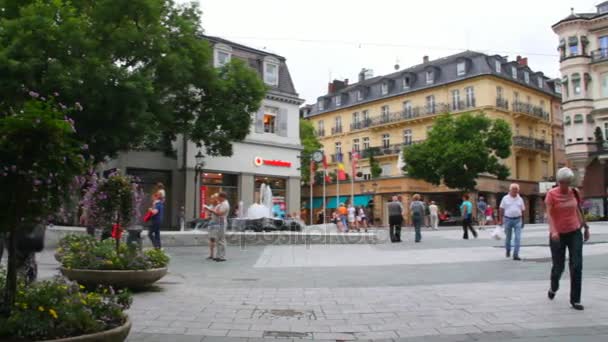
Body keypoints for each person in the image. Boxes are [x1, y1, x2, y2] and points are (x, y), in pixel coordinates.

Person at [545, 167, 589, 310]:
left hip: (575, 231)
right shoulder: (551, 194)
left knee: (577, 264)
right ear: (558, 182)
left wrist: (586, 227)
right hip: (558, 234)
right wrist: (553, 231)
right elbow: (550, 215)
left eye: (568, 182)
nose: (565, 185)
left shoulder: (574, 192)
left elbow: (578, 209)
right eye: (563, 182)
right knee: (559, 266)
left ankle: (575, 300)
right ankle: (553, 286)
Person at [498, 184, 525, 260]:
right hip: (507, 220)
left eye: (516, 189)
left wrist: (523, 221)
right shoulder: (505, 198)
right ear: (510, 190)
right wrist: (500, 219)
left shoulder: (520, 199)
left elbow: (523, 210)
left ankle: (516, 254)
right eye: (513, 189)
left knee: (518, 238)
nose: (515, 191)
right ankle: (508, 250)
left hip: (518, 220)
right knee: (508, 237)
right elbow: (501, 209)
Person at [205, 191, 229, 262]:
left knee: (221, 240)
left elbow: (219, 213)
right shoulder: (222, 203)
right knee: (219, 240)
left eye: (219, 197)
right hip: (219, 223)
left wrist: (210, 210)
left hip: (221, 223)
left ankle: (222, 257)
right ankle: (218, 256)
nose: (218, 198)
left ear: (222, 197)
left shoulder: (225, 204)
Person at [206, 193, 219, 260]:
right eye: (211, 198)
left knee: (216, 240)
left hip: (217, 224)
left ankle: (217, 255)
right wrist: (208, 215)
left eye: (213, 198)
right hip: (211, 224)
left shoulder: (219, 206)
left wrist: (211, 212)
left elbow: (219, 214)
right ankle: (211, 255)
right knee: (211, 239)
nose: (212, 200)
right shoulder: (211, 206)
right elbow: (208, 215)